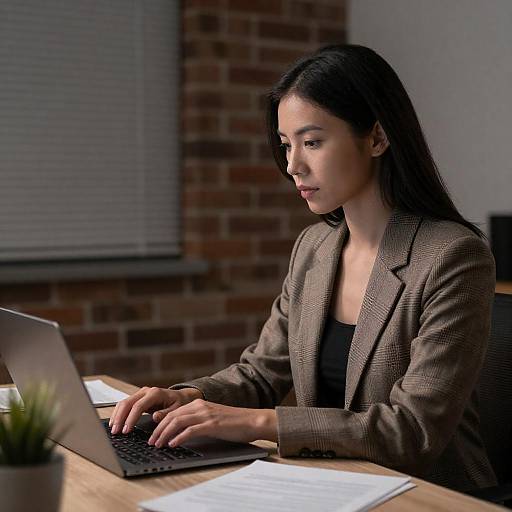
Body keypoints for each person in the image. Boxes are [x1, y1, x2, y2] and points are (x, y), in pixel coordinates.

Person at [109, 44, 496, 492]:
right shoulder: (315, 247)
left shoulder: (453, 257)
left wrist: (254, 422)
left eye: (312, 142)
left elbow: (411, 431)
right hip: (329, 484)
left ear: (376, 137)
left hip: (428, 494)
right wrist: (188, 396)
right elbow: (260, 373)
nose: (293, 165)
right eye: (286, 145)